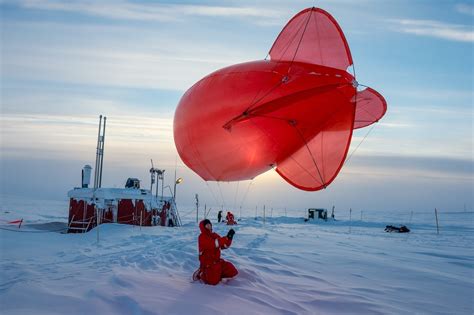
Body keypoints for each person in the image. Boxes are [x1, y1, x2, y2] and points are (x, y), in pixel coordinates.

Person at [196, 219, 238, 285]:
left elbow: (224, 246)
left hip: (217, 262)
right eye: (207, 225)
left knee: (233, 271)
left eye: (210, 224)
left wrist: (229, 238)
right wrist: (225, 238)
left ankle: (217, 274)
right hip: (208, 264)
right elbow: (214, 244)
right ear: (203, 227)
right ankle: (201, 273)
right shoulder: (202, 237)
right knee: (213, 282)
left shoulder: (214, 235)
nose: (209, 226)